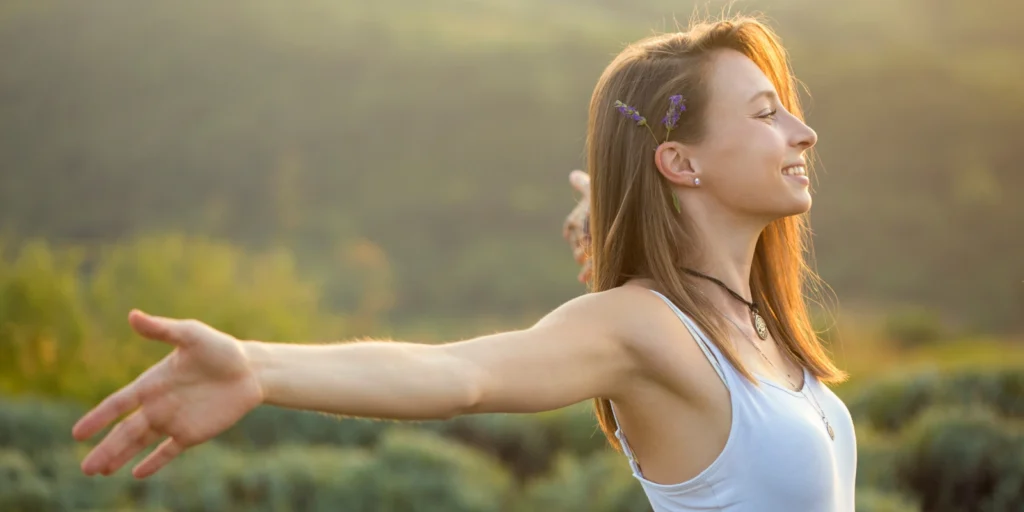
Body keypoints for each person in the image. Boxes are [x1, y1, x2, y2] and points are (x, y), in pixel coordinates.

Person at [72, 14, 856, 511]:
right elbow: (462, 375)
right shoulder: (643, 328)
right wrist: (257, 366)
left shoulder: (749, 318)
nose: (803, 131)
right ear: (681, 165)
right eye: (765, 113)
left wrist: (611, 225)